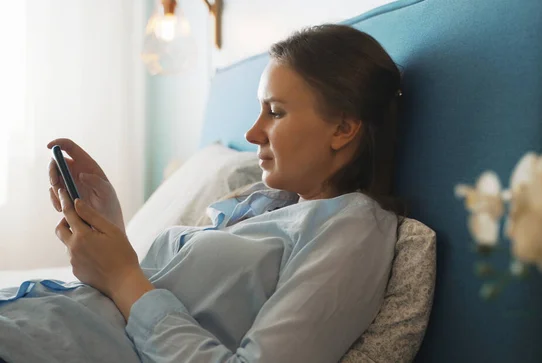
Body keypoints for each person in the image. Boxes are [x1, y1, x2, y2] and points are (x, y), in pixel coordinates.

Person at [0, 24, 421, 363]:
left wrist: (123, 275)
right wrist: (110, 229)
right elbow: (164, 295)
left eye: (275, 112)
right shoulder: (264, 207)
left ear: (343, 129)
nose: (252, 133)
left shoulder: (353, 229)